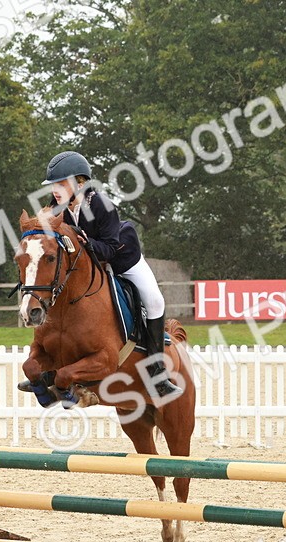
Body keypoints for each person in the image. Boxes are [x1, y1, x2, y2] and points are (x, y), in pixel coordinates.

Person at [41, 150, 182, 399]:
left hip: (121, 259)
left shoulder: (101, 205)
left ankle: (158, 371)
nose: (55, 190)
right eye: (54, 185)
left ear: (80, 183)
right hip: (87, 269)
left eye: (61, 184)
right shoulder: (54, 211)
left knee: (154, 300)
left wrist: (86, 244)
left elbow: (109, 246)